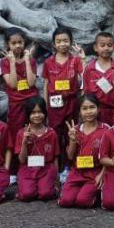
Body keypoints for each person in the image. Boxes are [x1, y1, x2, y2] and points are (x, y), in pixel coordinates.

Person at [0, 27, 38, 180]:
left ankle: (34, 166)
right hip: (15, 104)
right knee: (16, 136)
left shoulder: (31, 61)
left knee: (34, 133)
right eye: (13, 43)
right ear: (7, 45)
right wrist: (12, 62)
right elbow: (13, 84)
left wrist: (27, 61)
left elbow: (31, 82)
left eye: (20, 42)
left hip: (32, 103)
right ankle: (15, 170)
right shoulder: (3, 62)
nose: (17, 46)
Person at [43, 25, 84, 169]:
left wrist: (83, 59)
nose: (62, 44)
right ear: (54, 44)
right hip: (54, 103)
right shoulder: (48, 62)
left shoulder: (75, 60)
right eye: (59, 41)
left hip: (71, 102)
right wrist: (45, 105)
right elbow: (46, 84)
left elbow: (84, 77)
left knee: (70, 133)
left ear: (71, 42)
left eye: (66, 41)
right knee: (55, 134)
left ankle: (69, 165)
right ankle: (56, 166)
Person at [58, 95, 109, 208]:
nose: (89, 112)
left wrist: (102, 174)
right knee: (66, 201)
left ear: (98, 109)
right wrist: (72, 140)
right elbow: (70, 156)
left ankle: (98, 194)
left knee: (82, 201)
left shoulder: (106, 130)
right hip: (77, 172)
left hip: (95, 172)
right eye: (84, 108)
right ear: (80, 112)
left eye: (92, 107)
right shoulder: (75, 130)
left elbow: (109, 156)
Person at [15, 97, 59, 202]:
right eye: (33, 113)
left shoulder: (51, 133)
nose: (37, 115)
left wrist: (56, 178)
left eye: (40, 112)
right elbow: (21, 160)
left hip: (46, 169)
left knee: (46, 194)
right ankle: (25, 186)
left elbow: (55, 157)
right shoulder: (21, 133)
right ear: (28, 114)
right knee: (27, 195)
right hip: (27, 168)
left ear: (45, 113)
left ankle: (45, 186)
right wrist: (24, 143)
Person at [82, 32, 114, 125]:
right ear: (96, 47)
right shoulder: (89, 68)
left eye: (109, 45)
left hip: (113, 112)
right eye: (102, 45)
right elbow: (84, 92)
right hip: (94, 113)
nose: (106, 48)